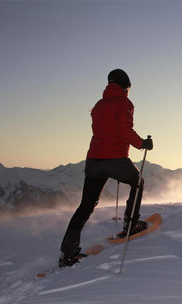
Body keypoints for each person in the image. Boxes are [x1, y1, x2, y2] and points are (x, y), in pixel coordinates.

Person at [59, 69, 153, 267]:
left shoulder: (98, 105)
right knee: (138, 182)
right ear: (125, 85)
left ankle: (68, 253)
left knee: (86, 205)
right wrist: (142, 143)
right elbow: (124, 131)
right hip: (115, 158)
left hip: (94, 158)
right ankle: (131, 223)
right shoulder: (124, 103)